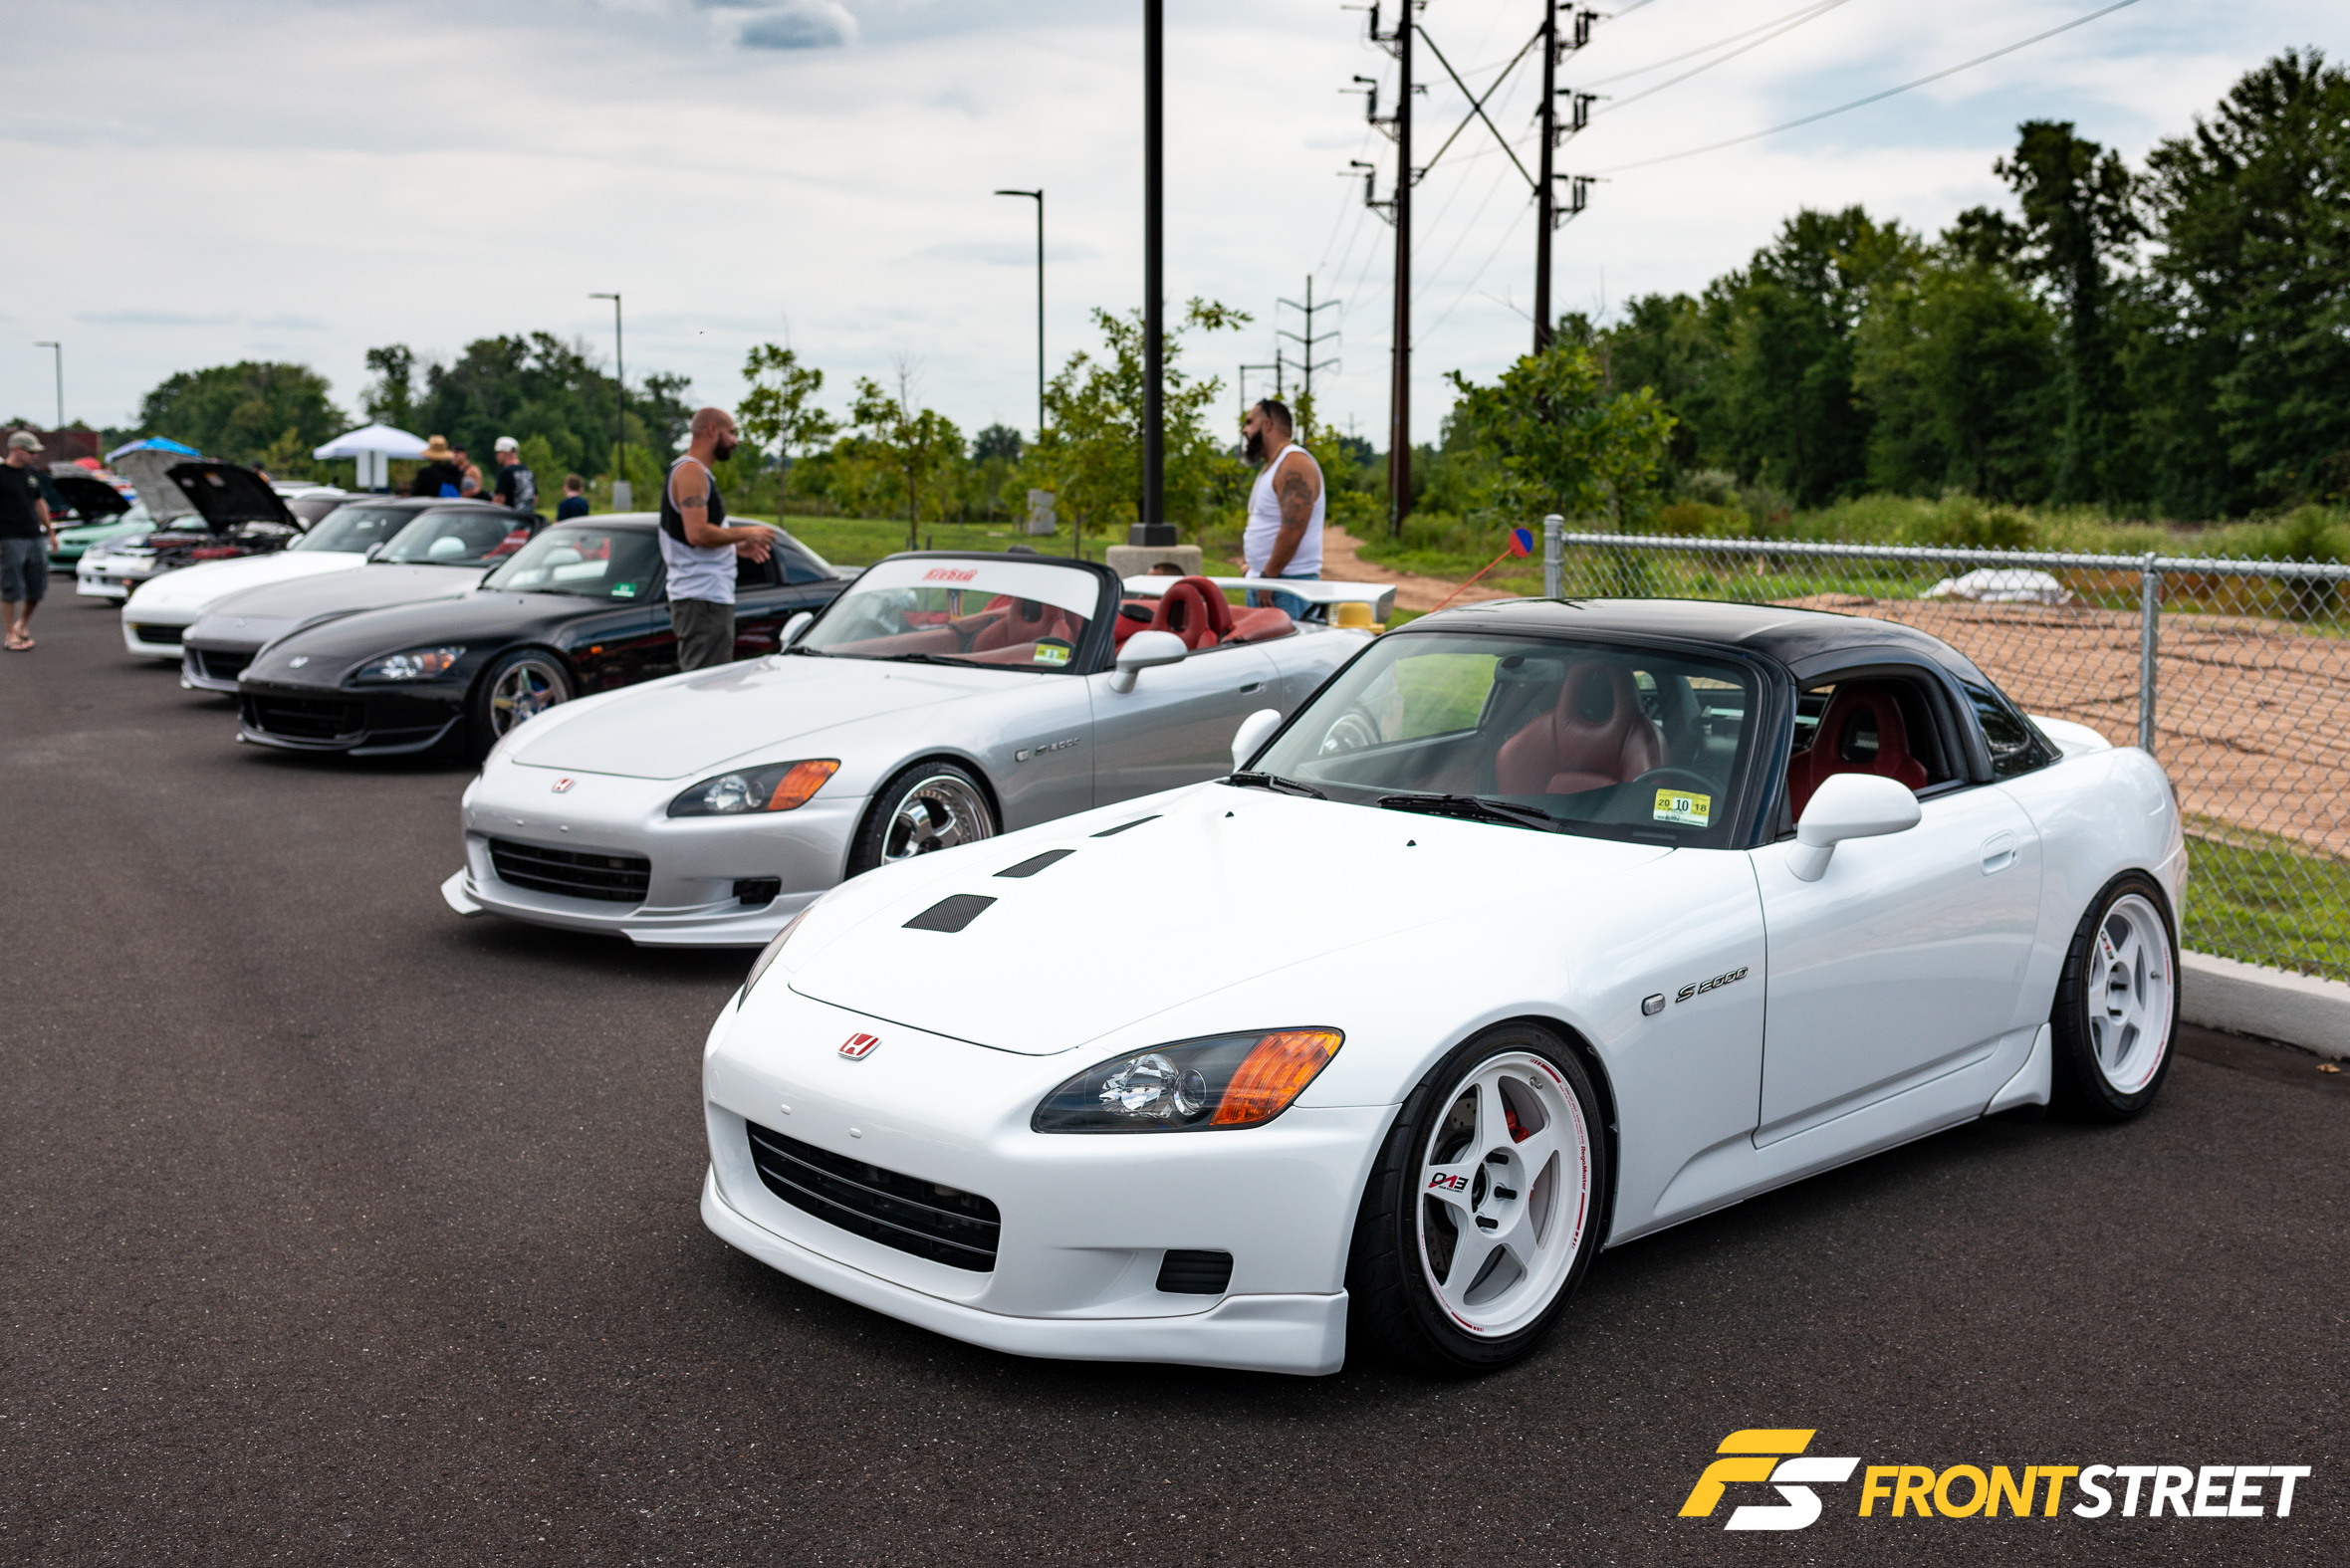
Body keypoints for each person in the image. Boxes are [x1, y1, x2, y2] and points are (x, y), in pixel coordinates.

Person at [660, 406, 773, 671]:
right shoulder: (691, 471)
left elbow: (691, 535)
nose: (735, 440)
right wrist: (747, 532)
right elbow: (697, 533)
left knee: (710, 680)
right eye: (731, 432)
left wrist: (734, 547)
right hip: (702, 598)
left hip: (704, 598)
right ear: (712, 429)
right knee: (707, 683)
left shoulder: (693, 470)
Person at [1240, 398, 1324, 620]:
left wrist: (1269, 577)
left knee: (1289, 644)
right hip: (1267, 583)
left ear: (1267, 424)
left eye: (1249, 422)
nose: (1244, 430)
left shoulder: (1294, 463)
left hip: (1286, 587)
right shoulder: (1273, 466)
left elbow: (1293, 529)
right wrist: (1253, 567)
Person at [2, 430, 57, 651]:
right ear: (17, 450)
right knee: (11, 586)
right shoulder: (2, 474)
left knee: (37, 586)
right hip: (9, 537)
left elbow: (39, 503)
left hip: (33, 535)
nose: (35, 456)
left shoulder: (30, 474)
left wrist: (51, 531)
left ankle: (22, 624)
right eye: (31, 452)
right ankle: (10, 635)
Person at [492, 437, 537, 513]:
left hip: (511, 516)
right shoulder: (527, 470)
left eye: (498, 452)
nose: (496, 456)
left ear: (504, 452)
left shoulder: (505, 472)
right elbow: (535, 498)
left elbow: (500, 499)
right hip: (527, 515)